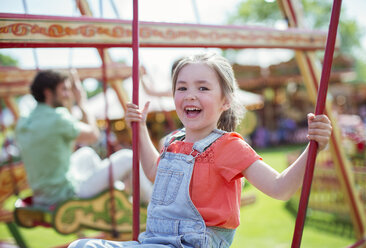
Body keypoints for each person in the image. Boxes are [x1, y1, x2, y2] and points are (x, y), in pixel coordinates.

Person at [68, 52, 332, 248]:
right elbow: (152, 172)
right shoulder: (173, 141)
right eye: (182, 88)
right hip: (157, 241)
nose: (190, 94)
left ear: (225, 101)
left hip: (193, 244)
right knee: (82, 246)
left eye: (203, 88)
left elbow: (280, 187)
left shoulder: (229, 146)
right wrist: (139, 129)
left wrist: (313, 148)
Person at [15, 69, 153, 210]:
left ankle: (117, 189)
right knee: (127, 157)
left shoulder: (24, 120)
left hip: (42, 195)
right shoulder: (57, 117)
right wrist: (82, 102)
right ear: (48, 92)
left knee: (86, 154)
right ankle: (152, 204)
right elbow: (94, 135)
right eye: (64, 90)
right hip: (65, 195)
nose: (68, 95)